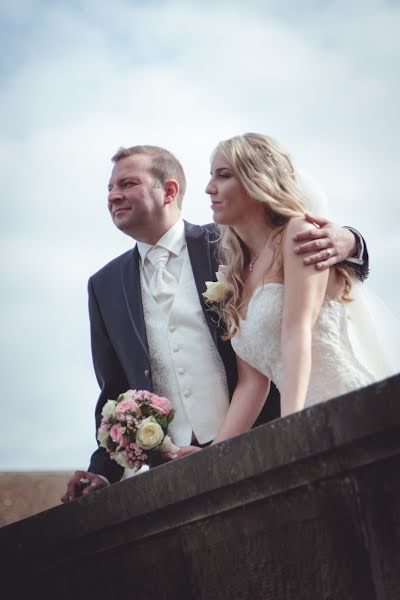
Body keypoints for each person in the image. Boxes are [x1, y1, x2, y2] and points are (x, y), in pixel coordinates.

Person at [61, 144, 367, 502]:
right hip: (179, 472)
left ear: (169, 191)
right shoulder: (104, 286)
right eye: (109, 188)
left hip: (268, 439)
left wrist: (350, 241)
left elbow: (299, 252)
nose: (113, 195)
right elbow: (115, 390)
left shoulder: (230, 241)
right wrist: (103, 472)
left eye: (127, 184)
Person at [190, 131, 388, 447]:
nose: (208, 188)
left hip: (345, 410)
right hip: (301, 421)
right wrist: (211, 452)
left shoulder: (298, 234)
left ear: (257, 181)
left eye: (223, 175)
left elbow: (298, 331)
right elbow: (252, 384)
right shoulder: (237, 275)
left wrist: (292, 424)